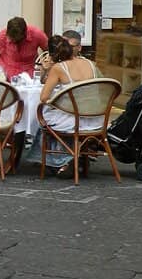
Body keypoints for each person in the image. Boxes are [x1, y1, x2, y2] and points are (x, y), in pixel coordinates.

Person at [33, 33, 103, 176]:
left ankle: (63, 159)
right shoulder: (91, 64)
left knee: (43, 118)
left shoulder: (59, 68)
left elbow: (44, 97)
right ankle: (78, 155)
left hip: (74, 121)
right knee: (58, 113)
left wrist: (48, 69)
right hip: (95, 119)